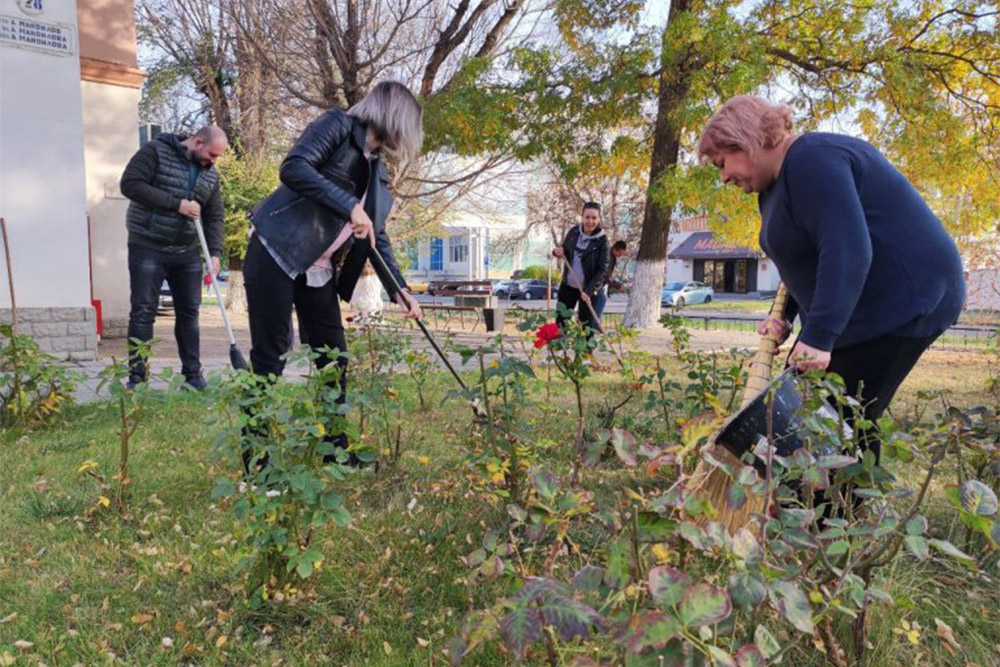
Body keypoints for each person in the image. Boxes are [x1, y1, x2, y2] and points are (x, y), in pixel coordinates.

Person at [698, 95, 965, 459]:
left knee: (838, 421)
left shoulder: (813, 159)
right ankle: (814, 507)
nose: (724, 177)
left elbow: (847, 247)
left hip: (901, 304)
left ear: (745, 142)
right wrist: (785, 317)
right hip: (861, 307)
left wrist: (821, 336)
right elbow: (805, 256)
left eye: (722, 163)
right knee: (812, 414)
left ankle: (838, 510)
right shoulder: (774, 186)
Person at [244, 80, 423, 461]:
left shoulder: (378, 171)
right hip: (276, 249)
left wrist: (400, 290)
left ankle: (334, 450)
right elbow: (293, 168)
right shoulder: (338, 126)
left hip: (318, 268)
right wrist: (349, 205)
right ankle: (255, 457)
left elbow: (378, 236)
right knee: (270, 354)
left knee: (333, 356)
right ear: (393, 117)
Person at [120, 125, 229, 391]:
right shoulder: (155, 152)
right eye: (212, 155)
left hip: (187, 251)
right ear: (198, 142)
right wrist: (176, 204)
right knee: (143, 312)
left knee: (189, 314)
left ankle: (192, 377)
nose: (213, 162)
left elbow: (214, 215)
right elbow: (130, 185)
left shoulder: (209, 175)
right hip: (148, 244)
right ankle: (138, 379)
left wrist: (214, 252)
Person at [552, 202, 610, 333]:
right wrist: (557, 252)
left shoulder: (602, 241)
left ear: (599, 219)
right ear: (582, 217)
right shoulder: (573, 233)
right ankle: (561, 350)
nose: (590, 221)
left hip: (588, 290)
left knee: (586, 326)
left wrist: (589, 291)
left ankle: (586, 353)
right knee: (562, 322)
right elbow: (565, 251)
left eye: (594, 218)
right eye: (587, 217)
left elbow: (603, 270)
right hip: (568, 286)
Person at [593, 240, 627, 320]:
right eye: (620, 254)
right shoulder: (607, 256)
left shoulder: (612, 256)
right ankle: (595, 324)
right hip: (596, 282)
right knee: (601, 299)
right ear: (616, 249)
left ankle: (595, 323)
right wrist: (618, 285)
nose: (620, 256)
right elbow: (606, 276)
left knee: (598, 301)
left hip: (599, 283)